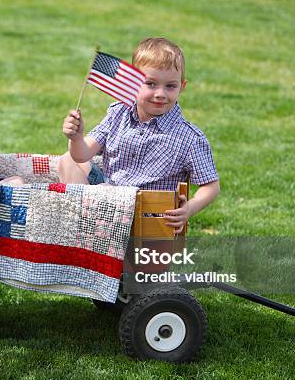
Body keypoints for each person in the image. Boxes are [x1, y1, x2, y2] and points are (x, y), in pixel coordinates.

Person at [58, 37, 220, 234]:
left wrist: (189, 208)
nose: (160, 93)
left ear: (181, 87)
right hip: (108, 197)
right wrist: (76, 137)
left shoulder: (189, 138)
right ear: (133, 84)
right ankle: (85, 221)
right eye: (150, 84)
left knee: (104, 191)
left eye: (170, 86)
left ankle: (83, 222)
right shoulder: (118, 113)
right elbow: (81, 154)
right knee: (68, 160)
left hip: (146, 217)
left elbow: (211, 186)